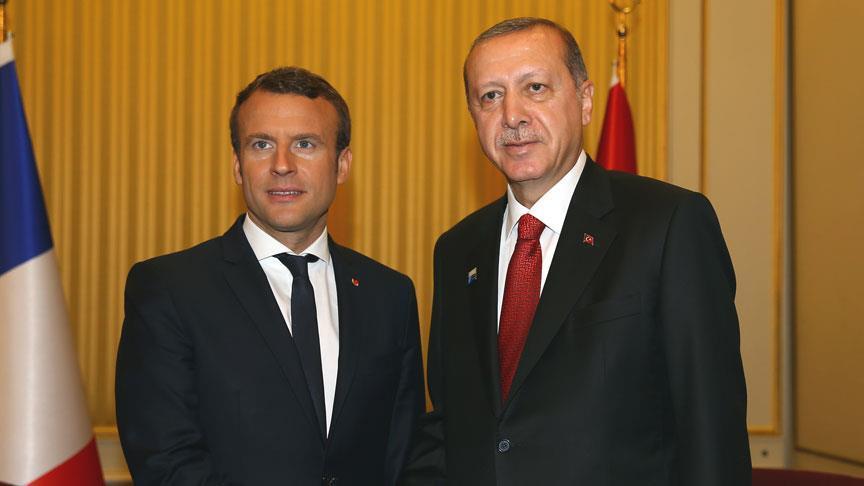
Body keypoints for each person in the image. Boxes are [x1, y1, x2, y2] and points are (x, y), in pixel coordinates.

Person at [402, 17, 751, 485]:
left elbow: (711, 431)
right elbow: (451, 425)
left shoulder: (668, 224)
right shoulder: (457, 250)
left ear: (585, 101)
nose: (512, 115)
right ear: (473, 115)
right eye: (491, 96)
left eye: (535, 88)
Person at [116, 66, 424, 485]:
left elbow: (403, 454)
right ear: (238, 166)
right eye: (261, 144)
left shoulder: (390, 296)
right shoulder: (169, 289)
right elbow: (166, 463)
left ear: (342, 165)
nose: (282, 165)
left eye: (305, 144)